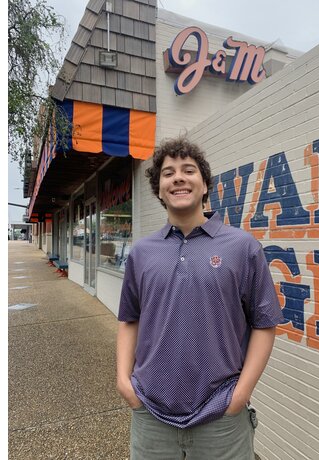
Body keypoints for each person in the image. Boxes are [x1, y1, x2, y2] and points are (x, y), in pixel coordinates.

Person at [117, 137, 284, 459]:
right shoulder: (141, 252)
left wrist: (240, 394)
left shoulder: (242, 247)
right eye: (168, 173)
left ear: (205, 185)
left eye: (188, 170)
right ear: (159, 189)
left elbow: (265, 325)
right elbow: (129, 319)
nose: (178, 177)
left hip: (221, 414)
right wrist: (125, 383)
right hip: (150, 412)